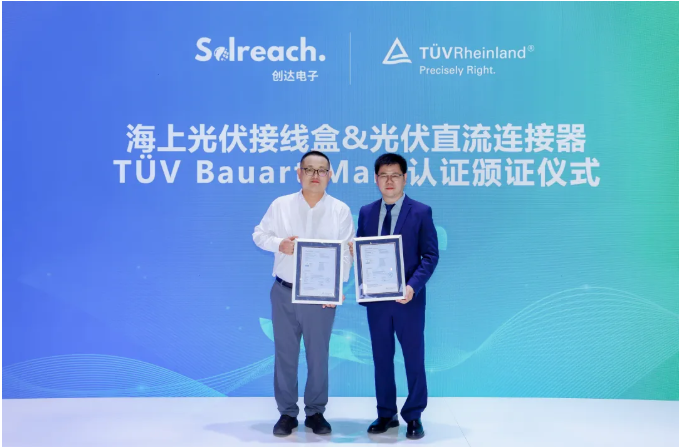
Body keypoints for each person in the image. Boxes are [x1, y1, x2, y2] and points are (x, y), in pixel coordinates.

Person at [253, 150, 353, 437]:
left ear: (330, 175)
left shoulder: (340, 210)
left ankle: (315, 412)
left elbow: (346, 253)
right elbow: (259, 234)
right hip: (284, 291)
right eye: (309, 169)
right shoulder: (281, 205)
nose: (315, 175)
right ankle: (287, 413)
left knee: (318, 355)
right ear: (299, 173)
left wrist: (337, 288)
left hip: (320, 297)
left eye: (322, 170)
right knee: (285, 354)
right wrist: (279, 244)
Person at [353, 153, 439, 440]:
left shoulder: (421, 211)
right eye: (383, 175)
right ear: (376, 179)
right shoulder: (366, 212)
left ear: (405, 178)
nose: (389, 181)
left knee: (413, 358)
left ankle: (413, 415)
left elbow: (430, 256)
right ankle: (386, 413)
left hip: (408, 300)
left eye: (395, 175)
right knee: (381, 358)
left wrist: (412, 286)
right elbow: (363, 252)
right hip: (377, 302)